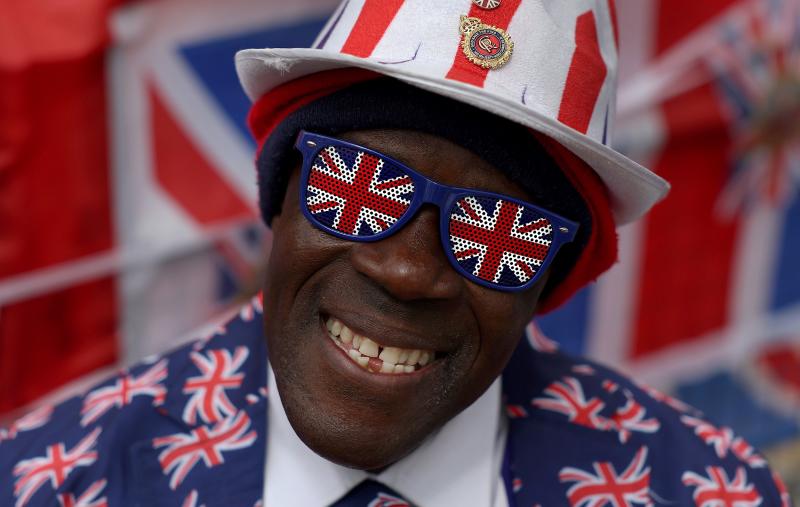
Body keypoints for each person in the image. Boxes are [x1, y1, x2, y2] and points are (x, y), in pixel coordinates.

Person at [0, 1, 792, 506]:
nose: (407, 271)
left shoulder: (705, 490)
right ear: (280, 197)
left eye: (497, 232)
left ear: (549, 279)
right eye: (360, 187)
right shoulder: (52, 482)